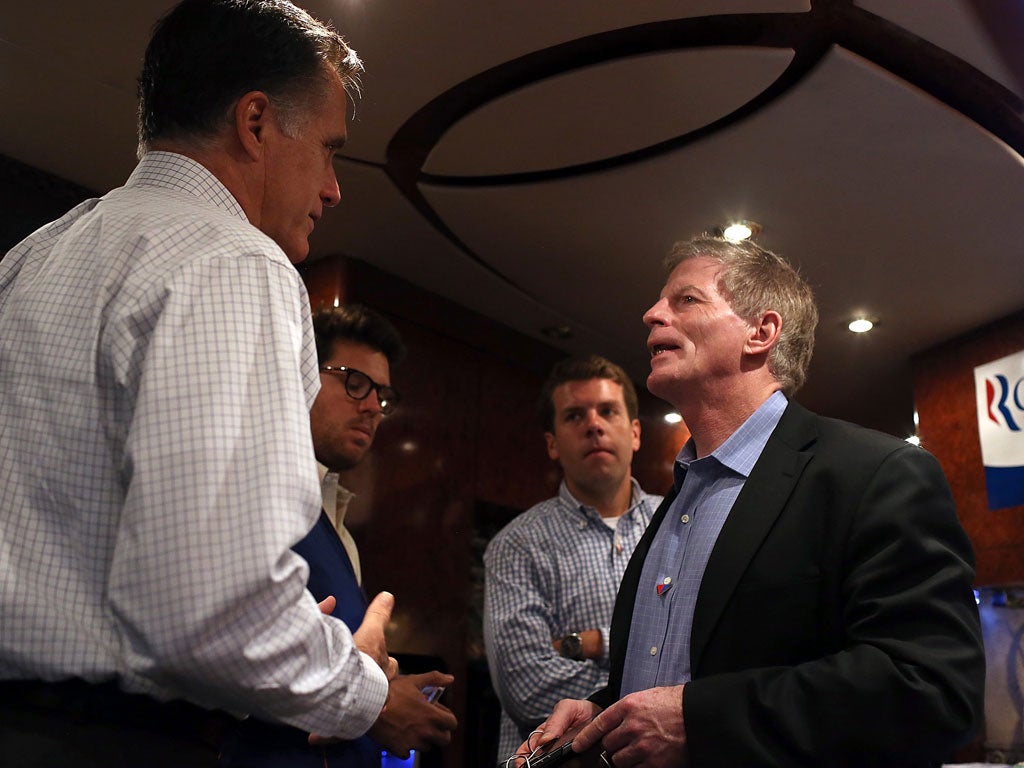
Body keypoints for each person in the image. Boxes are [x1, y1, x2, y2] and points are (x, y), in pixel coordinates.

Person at [0, 2, 397, 765]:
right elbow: (203, 613)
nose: (334, 188)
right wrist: (368, 693)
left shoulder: (30, 256)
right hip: (114, 742)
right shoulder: (237, 261)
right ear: (255, 123)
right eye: (328, 150)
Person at [528, 236, 985, 767]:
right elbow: (678, 681)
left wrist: (701, 720)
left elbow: (933, 688)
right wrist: (603, 716)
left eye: (686, 300)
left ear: (761, 332)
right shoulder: (676, 499)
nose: (651, 314)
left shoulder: (876, 475)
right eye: (659, 302)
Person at [221, 304, 458, 766]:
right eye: (354, 382)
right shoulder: (251, 492)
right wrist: (378, 705)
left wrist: (382, 684)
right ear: (301, 374)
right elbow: (224, 658)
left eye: (381, 395)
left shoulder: (336, 525)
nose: (372, 406)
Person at [484, 355, 662, 760]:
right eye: (574, 416)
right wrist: (655, 696)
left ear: (634, 433)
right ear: (552, 443)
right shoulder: (518, 544)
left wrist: (598, 645)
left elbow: (701, 656)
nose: (594, 425)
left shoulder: (679, 521)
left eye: (608, 411)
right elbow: (528, 688)